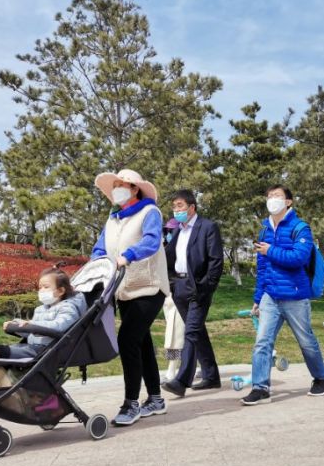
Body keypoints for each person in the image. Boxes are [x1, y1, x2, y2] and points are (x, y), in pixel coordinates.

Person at [91, 168, 170, 426]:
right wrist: (95, 264)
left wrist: (128, 255)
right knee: (142, 342)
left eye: (122, 185)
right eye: (114, 185)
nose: (117, 189)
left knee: (127, 340)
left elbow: (151, 241)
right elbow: (100, 247)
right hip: (124, 289)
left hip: (149, 287)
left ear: (135, 188)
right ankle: (156, 399)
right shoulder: (113, 219)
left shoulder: (150, 213)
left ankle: (131, 403)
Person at [242, 184, 324, 405]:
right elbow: (262, 268)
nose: (272, 199)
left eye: (277, 196)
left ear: (288, 202)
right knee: (262, 342)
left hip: (295, 296)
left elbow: (298, 258)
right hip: (270, 297)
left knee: (306, 342)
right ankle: (260, 388)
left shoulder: (300, 228)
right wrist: (257, 298)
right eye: (269, 196)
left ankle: (322, 378)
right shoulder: (264, 230)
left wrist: (269, 250)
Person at [0, 265, 85, 364]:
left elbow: (58, 326)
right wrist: (16, 325)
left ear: (61, 290)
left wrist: (31, 324)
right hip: (32, 346)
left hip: (48, 350)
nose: (41, 290)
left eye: (46, 287)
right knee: (15, 348)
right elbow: (30, 331)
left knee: (17, 351)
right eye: (39, 287)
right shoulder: (41, 309)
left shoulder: (68, 307)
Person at [162, 189, 224, 397]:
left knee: (190, 332)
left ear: (192, 207)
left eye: (179, 206)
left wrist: (207, 287)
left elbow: (216, 261)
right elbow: (170, 259)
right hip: (178, 288)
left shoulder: (208, 227)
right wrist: (171, 283)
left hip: (198, 288)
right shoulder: (177, 231)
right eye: (174, 206)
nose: (176, 210)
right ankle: (211, 376)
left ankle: (181, 380)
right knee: (197, 332)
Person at [161, 218, 184, 382]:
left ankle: (172, 369)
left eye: (171, 231)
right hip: (166, 294)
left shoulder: (183, 249)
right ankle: (199, 366)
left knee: (174, 335)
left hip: (180, 293)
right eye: (167, 231)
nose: (168, 234)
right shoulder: (163, 248)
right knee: (177, 333)